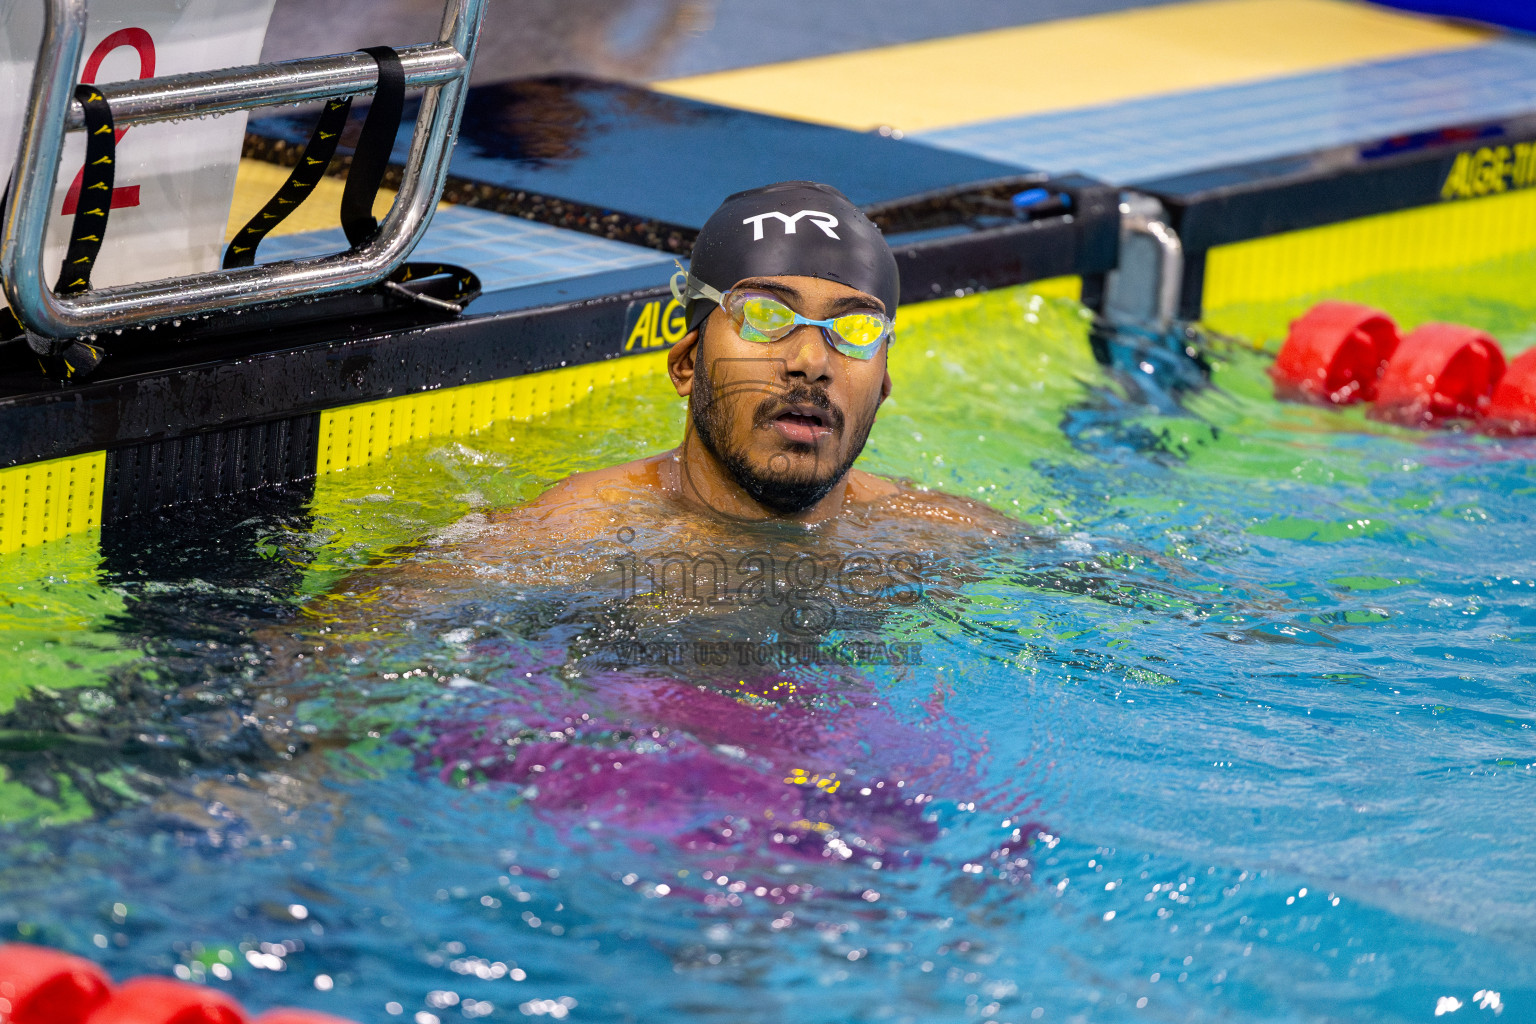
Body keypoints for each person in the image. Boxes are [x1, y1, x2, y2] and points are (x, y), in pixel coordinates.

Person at [500, 180, 1019, 544]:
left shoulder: (946, 537)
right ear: (686, 365)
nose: (811, 362)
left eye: (853, 329)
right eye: (766, 316)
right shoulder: (567, 534)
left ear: (882, 390)